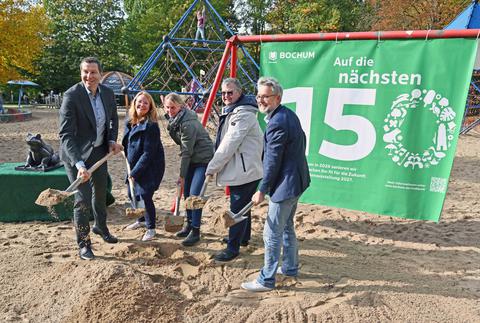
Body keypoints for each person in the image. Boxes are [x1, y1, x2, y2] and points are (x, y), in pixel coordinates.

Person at [241, 77, 310, 292]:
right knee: (287, 226)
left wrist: (262, 189)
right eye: (259, 96)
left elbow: (272, 160)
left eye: (266, 97)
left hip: (286, 185)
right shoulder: (287, 114)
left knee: (271, 233)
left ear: (277, 97)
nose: (261, 100)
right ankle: (289, 267)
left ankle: (266, 280)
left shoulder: (277, 122)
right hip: (297, 181)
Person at [59, 56, 123, 261]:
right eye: (85, 72)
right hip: (76, 155)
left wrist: (112, 140)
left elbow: (112, 119)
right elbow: (66, 135)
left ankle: (101, 227)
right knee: (83, 199)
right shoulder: (72, 96)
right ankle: (84, 244)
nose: (89, 76)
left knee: (101, 191)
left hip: (98, 151)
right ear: (81, 73)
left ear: (100, 74)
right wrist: (79, 164)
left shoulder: (107, 93)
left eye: (93, 72)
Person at [205, 78, 263, 262]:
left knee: (236, 209)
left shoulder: (244, 114)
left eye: (230, 92)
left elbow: (229, 143)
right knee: (243, 205)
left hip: (245, 170)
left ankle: (233, 247)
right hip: (245, 167)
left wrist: (212, 167)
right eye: (223, 93)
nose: (226, 96)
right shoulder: (235, 111)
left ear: (240, 93)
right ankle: (243, 238)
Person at [163, 93, 214, 246]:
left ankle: (196, 231)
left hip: (203, 159)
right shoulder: (175, 120)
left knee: (194, 196)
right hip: (192, 158)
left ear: (181, 106)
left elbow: (186, 151)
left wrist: (182, 176)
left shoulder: (187, 123)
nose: (170, 110)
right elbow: (183, 146)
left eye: (173, 107)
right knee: (186, 195)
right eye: (167, 107)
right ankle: (189, 225)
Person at [123, 91, 165, 241]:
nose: (142, 105)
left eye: (146, 103)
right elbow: (125, 142)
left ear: (150, 106)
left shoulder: (151, 126)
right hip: (132, 164)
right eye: (139, 102)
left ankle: (151, 228)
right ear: (134, 103)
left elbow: (148, 153)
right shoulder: (130, 122)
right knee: (132, 194)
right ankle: (140, 221)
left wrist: (134, 173)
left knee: (145, 196)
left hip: (150, 166)